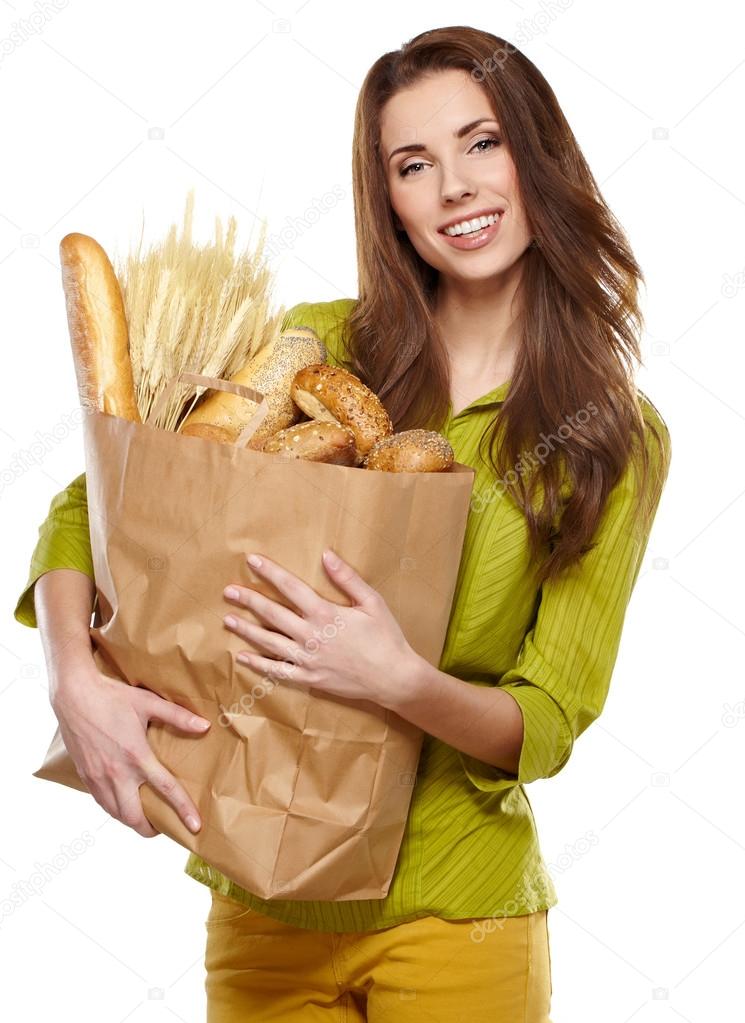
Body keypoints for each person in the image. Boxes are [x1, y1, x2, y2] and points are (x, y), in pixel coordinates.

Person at [13, 25, 671, 1023]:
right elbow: (106, 496)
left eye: (481, 143)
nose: (454, 187)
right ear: (391, 203)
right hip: (263, 898)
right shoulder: (322, 347)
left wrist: (397, 680)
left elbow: (545, 721)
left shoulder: (610, 434)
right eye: (414, 164)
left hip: (458, 913)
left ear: (538, 154)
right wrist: (73, 673)